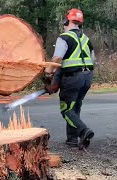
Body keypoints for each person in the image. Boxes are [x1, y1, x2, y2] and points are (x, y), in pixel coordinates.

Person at [45, 8, 95, 149]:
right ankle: (72, 139)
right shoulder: (86, 39)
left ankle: (84, 131)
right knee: (75, 107)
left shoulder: (64, 37)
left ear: (67, 20)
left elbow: (57, 58)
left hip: (73, 78)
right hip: (87, 78)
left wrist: (48, 73)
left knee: (66, 110)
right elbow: (92, 60)